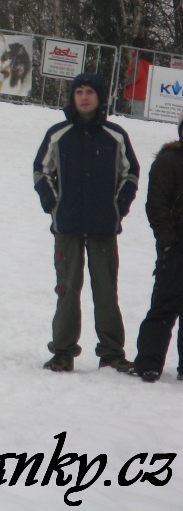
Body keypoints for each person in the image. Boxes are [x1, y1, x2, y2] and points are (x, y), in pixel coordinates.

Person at [33, 72, 139, 373]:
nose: (83, 97)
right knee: (68, 289)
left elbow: (130, 174)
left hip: (103, 228)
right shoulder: (58, 133)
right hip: (66, 226)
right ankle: (63, 352)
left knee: (106, 290)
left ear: (99, 97)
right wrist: (53, 205)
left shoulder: (115, 135)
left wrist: (117, 209)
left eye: (89, 91)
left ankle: (112, 352)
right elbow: (41, 171)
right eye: (78, 91)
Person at [131, 113, 183, 383]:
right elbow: (156, 206)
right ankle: (149, 362)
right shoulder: (168, 162)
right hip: (175, 247)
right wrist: (168, 242)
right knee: (164, 307)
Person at [122, 46, 154, 117]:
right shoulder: (147, 60)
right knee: (142, 115)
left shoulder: (136, 60)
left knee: (139, 116)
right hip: (145, 91)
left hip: (136, 91)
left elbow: (137, 74)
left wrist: (126, 82)